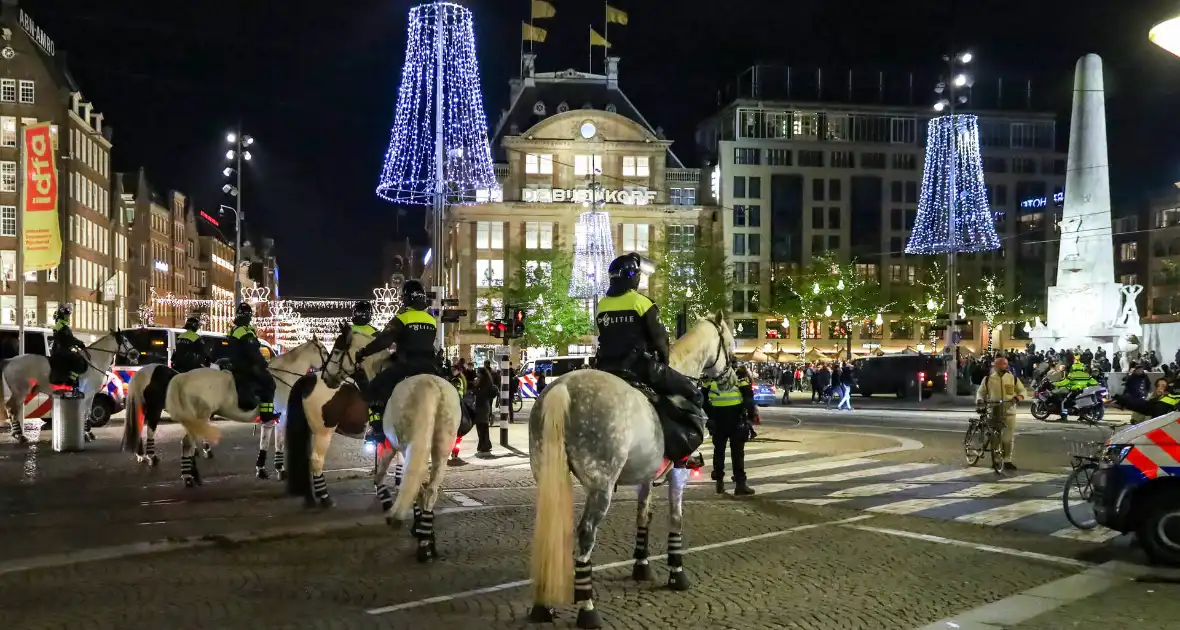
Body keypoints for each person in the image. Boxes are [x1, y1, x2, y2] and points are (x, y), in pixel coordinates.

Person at [594, 253, 706, 462]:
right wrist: (663, 363)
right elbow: (660, 340)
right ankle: (680, 452)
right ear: (633, 277)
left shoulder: (602, 304)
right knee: (693, 394)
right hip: (639, 368)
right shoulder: (642, 303)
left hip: (606, 369)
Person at [356, 279, 440, 436]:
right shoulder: (431, 320)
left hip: (406, 365)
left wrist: (364, 352)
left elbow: (384, 340)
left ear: (407, 298)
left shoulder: (402, 317)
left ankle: (377, 427)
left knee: (375, 387)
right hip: (430, 367)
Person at [705, 370, 755, 496]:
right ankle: (740, 484)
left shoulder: (710, 379)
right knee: (737, 453)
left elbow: (703, 399)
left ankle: (719, 482)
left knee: (719, 451)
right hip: (736, 419)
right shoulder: (739, 377)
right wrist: (751, 415)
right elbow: (749, 398)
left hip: (718, 420)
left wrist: (711, 414)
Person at [228, 302, 278, 424]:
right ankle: (267, 415)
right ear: (247, 316)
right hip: (245, 366)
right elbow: (252, 353)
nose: (250, 318)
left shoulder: (235, 329)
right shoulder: (244, 331)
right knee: (269, 383)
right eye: (250, 315)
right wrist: (263, 364)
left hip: (235, 364)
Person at [975, 356, 1028, 471]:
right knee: (995, 437)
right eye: (1001, 364)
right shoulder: (988, 379)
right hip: (993, 411)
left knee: (1007, 439)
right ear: (995, 366)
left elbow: (1023, 391)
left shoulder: (1012, 378)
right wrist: (980, 400)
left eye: (1005, 364)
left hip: (1009, 412)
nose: (1004, 366)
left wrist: (1018, 398)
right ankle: (996, 459)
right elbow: (980, 392)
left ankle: (1007, 459)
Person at [49, 304, 88, 388]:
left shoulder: (63, 324)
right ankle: (71, 381)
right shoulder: (60, 325)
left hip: (62, 349)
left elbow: (69, 339)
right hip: (61, 350)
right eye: (66, 315)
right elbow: (69, 338)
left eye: (68, 315)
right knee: (78, 360)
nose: (68, 317)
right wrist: (80, 343)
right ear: (62, 315)